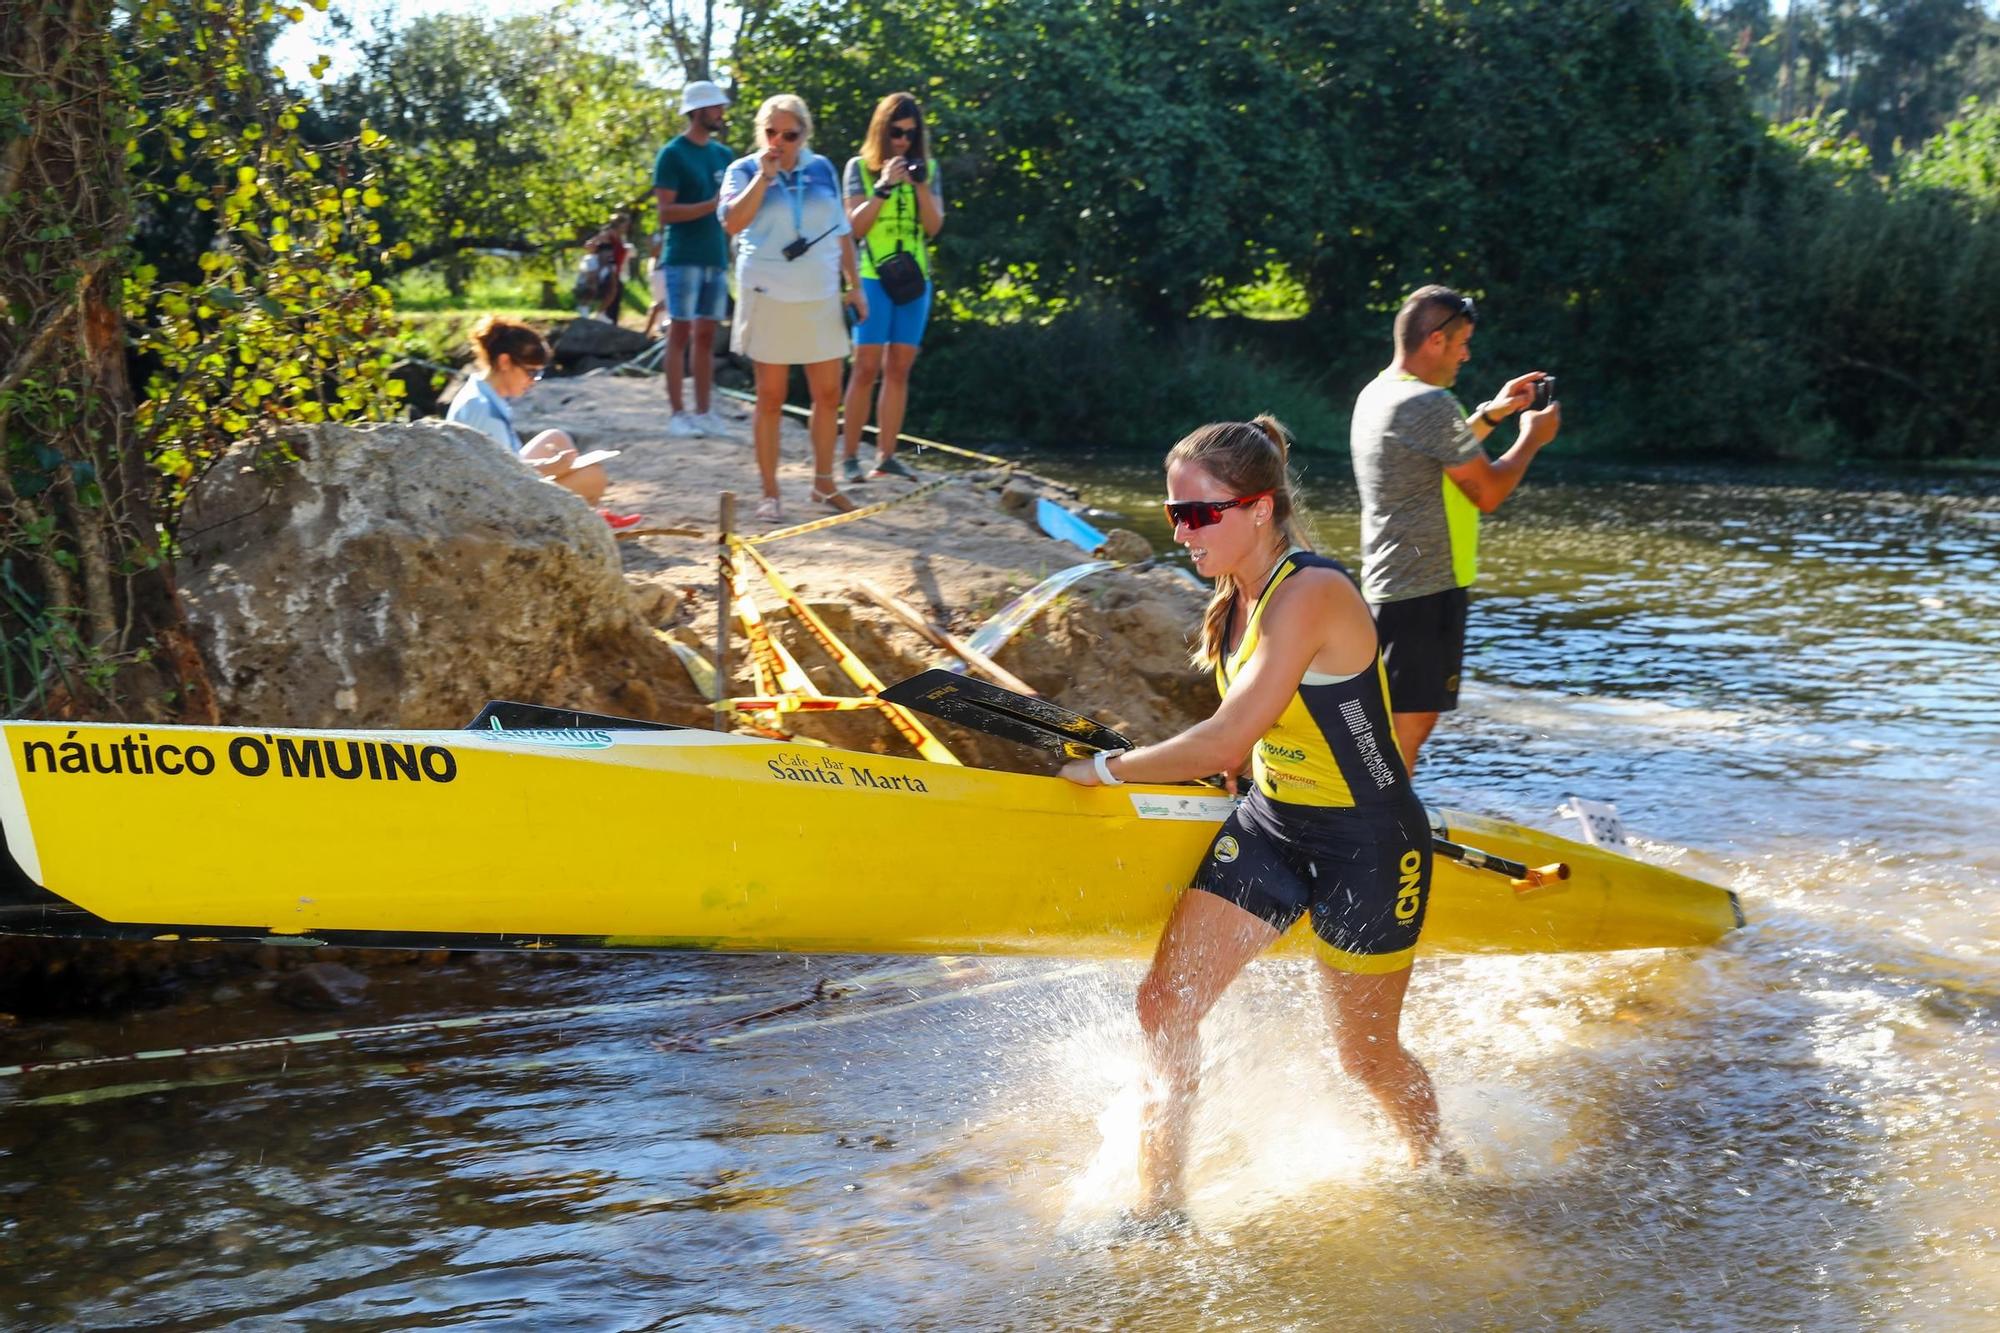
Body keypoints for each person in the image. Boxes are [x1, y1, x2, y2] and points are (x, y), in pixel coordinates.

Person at [1061, 416, 1447, 1225]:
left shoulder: (1312, 592)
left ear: (1260, 508)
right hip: (1274, 824)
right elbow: (1250, 740)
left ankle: (1440, 1165)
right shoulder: (1233, 595)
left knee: (1365, 1056)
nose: (1183, 530)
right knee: (1164, 1002)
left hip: (1369, 844)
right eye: (1175, 514)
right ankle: (1160, 1206)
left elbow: (1230, 734)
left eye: (1200, 513)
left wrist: (1108, 770)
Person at [1349, 285, 1560, 770]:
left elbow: (1440, 453)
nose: (1466, 354)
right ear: (1435, 339)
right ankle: (1384, 825)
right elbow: (1487, 492)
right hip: (1426, 585)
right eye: (1462, 342)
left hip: (1395, 580)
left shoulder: (1382, 391)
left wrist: (1494, 412)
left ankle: (1381, 813)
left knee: (1396, 718)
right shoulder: (1430, 403)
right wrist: (1531, 439)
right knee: (1411, 723)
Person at [718, 94, 865, 524]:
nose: (779, 141)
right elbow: (731, 222)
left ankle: (823, 483)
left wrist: (855, 287)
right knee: (770, 397)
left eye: (789, 134)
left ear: (805, 135)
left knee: (827, 394)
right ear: (760, 132)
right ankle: (770, 492)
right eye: (771, 132)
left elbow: (841, 233)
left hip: (819, 292)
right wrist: (762, 179)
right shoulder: (742, 169)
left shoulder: (821, 168)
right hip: (768, 292)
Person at [445, 316, 642, 531]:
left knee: (556, 438)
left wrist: (554, 467)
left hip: (493, 483)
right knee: (593, 476)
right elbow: (503, 476)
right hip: (494, 506)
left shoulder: (480, 393)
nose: (533, 381)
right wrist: (552, 467)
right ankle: (584, 521)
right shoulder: (484, 410)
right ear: (505, 362)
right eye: (531, 372)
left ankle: (589, 517)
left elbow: (499, 463)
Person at [837, 92, 944, 486]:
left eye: (910, 135)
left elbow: (934, 227)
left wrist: (918, 187)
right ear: (882, 131)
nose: (902, 142)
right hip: (872, 276)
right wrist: (883, 187)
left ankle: (886, 456)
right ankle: (848, 457)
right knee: (865, 368)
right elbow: (853, 228)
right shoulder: (858, 168)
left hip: (915, 279)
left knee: (899, 368)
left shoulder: (929, 169)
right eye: (896, 133)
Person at [651, 79, 735, 436]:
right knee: (680, 333)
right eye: (716, 107)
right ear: (697, 111)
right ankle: (677, 414)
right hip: (683, 256)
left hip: (715, 257)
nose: (721, 112)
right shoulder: (672, 154)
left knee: (706, 336)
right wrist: (711, 206)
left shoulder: (725, 155)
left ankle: (704, 412)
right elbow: (666, 213)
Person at [581, 214, 633, 325]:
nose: (627, 227)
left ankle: (604, 316)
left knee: (614, 293)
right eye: (625, 224)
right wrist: (594, 250)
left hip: (615, 269)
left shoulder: (620, 237)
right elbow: (589, 244)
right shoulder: (607, 234)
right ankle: (590, 312)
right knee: (606, 290)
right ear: (619, 224)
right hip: (606, 266)